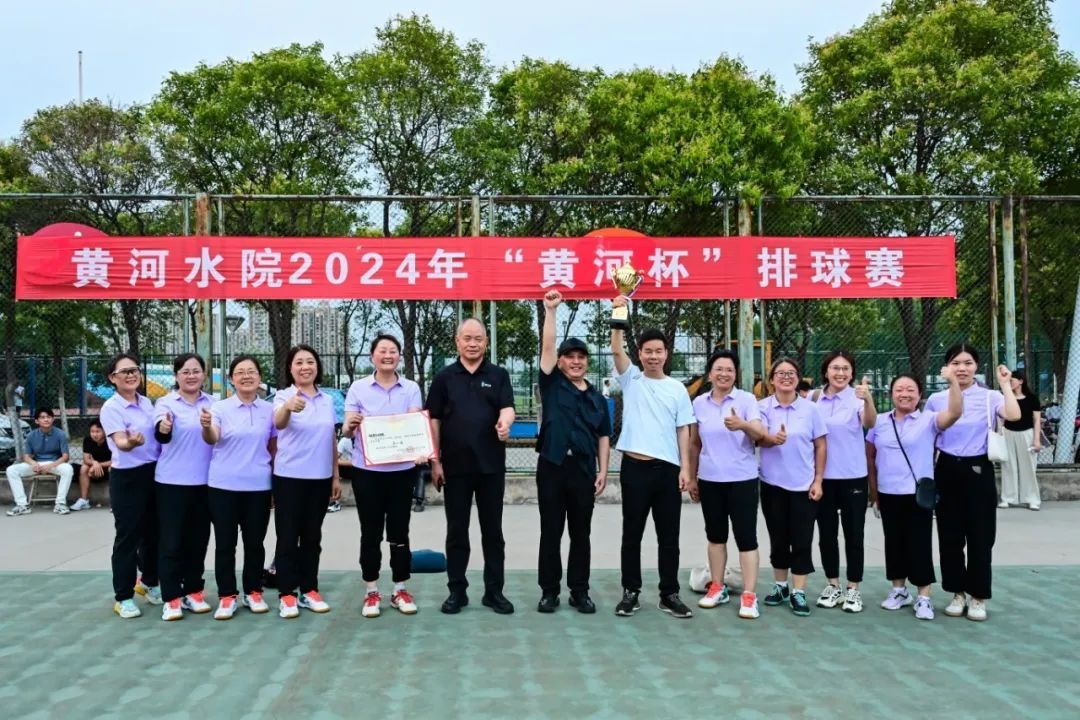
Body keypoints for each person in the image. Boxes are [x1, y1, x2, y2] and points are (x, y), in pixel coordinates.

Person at [610, 296, 696, 619]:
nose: (653, 356)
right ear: (640, 354)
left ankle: (669, 593)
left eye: (659, 351)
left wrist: (685, 469)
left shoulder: (677, 389)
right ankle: (630, 592)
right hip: (634, 469)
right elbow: (616, 349)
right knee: (631, 534)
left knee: (668, 537)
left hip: (667, 472)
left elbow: (683, 430)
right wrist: (619, 310)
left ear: (666, 354)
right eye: (648, 351)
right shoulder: (632, 379)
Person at [426, 318, 516, 615]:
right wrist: (435, 461)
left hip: (491, 467)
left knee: (493, 532)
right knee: (456, 531)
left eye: (478, 338)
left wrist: (505, 423)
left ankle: (494, 592)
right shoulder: (444, 378)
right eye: (467, 338)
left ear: (486, 342)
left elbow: (508, 408)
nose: (473, 344)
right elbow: (434, 420)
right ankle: (457, 591)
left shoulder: (499, 375)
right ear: (457, 342)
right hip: (455, 468)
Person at [925, 344, 1020, 622]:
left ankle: (978, 596)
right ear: (946, 367)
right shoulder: (936, 399)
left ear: (976, 366)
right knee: (949, 536)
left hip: (978, 469)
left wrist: (1006, 385)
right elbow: (929, 435)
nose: (962, 368)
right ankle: (957, 593)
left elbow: (1014, 415)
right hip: (946, 469)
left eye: (968, 363)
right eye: (956, 363)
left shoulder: (990, 396)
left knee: (980, 536)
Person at [534, 291, 611, 614]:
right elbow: (548, 347)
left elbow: (604, 435)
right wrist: (551, 311)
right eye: (570, 357)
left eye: (581, 357)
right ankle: (549, 591)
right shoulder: (552, 384)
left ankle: (579, 591)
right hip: (552, 466)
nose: (576, 361)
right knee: (551, 531)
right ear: (561, 361)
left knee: (581, 533)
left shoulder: (596, 398)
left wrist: (603, 471)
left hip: (582, 470)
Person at [866, 369, 962, 621]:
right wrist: (873, 493)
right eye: (899, 390)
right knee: (893, 542)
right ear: (891, 394)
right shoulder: (880, 421)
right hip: (888, 492)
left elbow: (954, 413)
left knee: (919, 543)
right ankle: (899, 591)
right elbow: (871, 457)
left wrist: (953, 382)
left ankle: (924, 597)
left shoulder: (928, 420)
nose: (904, 394)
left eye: (910, 390)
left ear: (920, 395)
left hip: (917, 494)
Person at [344, 334, 426, 618]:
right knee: (370, 532)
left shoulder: (410, 388)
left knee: (400, 531)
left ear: (399, 356)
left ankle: (400, 588)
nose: (388, 355)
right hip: (367, 472)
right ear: (372, 356)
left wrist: (418, 448)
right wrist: (351, 424)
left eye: (393, 351)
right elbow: (347, 429)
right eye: (382, 350)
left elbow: (414, 424)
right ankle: (371, 590)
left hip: (402, 472)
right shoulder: (358, 388)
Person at [688, 349, 765, 619]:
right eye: (719, 369)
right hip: (710, 480)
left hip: (742, 479)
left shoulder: (746, 400)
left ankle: (749, 595)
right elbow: (694, 443)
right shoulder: (699, 403)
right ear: (710, 374)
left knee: (746, 538)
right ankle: (717, 586)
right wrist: (692, 477)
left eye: (729, 370)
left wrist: (742, 424)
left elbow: (760, 434)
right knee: (715, 536)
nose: (724, 374)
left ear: (736, 374)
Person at [203, 355, 277, 620]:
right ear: (231, 379)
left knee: (255, 543)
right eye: (240, 372)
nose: (246, 376)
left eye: (252, 371)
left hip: (258, 486)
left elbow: (273, 447)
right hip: (223, 486)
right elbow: (212, 436)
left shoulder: (269, 410)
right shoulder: (219, 408)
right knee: (225, 544)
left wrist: (274, 483)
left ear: (259, 377)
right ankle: (227, 595)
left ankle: (253, 591)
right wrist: (206, 427)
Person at [272, 345, 341, 618]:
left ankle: (309, 589)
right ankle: (287, 594)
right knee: (288, 537)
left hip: (320, 478)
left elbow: (331, 438)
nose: (305, 367)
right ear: (290, 368)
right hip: (289, 478)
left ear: (317, 367)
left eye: (310, 362)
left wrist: (335, 475)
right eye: (299, 362)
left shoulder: (327, 400)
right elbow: (278, 423)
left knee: (312, 538)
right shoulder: (283, 396)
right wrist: (288, 407)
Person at [758, 357, 827, 617]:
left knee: (801, 539)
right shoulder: (762, 407)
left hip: (803, 486)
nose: (786, 377)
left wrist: (818, 480)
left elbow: (821, 445)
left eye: (791, 373)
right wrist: (771, 438)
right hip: (772, 484)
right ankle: (780, 586)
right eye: (780, 373)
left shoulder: (811, 409)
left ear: (798, 379)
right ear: (771, 379)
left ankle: (799, 591)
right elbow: (757, 439)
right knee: (778, 538)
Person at [812, 351, 876, 613]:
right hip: (822, 478)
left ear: (852, 373)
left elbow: (870, 422)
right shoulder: (814, 398)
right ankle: (833, 585)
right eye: (835, 368)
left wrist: (868, 399)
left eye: (845, 368)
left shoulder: (858, 397)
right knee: (826, 535)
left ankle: (853, 588)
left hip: (853, 477)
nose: (840, 373)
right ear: (826, 371)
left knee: (854, 535)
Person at [99, 353, 162, 618]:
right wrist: (131, 442)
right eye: (124, 371)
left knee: (154, 533)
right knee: (128, 537)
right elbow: (121, 442)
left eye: (134, 370)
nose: (131, 375)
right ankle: (123, 597)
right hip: (127, 477)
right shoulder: (111, 408)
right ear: (112, 378)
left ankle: (149, 582)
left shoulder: (146, 403)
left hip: (154, 473)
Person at [154, 353, 214, 621]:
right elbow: (160, 433)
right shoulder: (165, 403)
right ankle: (171, 597)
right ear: (176, 376)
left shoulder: (213, 404)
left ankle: (193, 591)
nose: (191, 376)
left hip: (206, 483)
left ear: (204, 374)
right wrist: (165, 427)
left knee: (198, 541)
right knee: (171, 541)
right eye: (185, 371)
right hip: (171, 483)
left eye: (196, 371)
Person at [5, 407, 74, 516]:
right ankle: (22, 505)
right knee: (11, 470)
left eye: (48, 417)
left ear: (53, 419)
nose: (46, 419)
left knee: (68, 469)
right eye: (42, 417)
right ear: (37, 421)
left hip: (54, 464)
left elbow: (65, 456)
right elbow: (26, 456)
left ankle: (60, 504)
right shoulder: (31, 435)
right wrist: (33, 464)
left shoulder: (60, 434)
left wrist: (51, 465)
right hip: (37, 464)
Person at [999, 369, 1042, 510]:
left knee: (1028, 467)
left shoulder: (1032, 399)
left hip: (1027, 434)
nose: (1009, 382)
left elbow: (1037, 420)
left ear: (1021, 381)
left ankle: (1032, 499)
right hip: (1008, 433)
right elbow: (1001, 418)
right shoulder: (1005, 397)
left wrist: (1036, 439)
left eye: (1012, 380)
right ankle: (1007, 498)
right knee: (1008, 466)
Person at [73, 419, 111, 511]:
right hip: (95, 469)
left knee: (113, 468)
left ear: (104, 431)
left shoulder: (110, 440)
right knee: (84, 467)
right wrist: (94, 463)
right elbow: (86, 459)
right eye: (92, 432)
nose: (94, 434)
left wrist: (97, 465)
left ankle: (115, 502)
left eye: (98, 431)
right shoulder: (88, 440)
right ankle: (84, 500)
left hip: (109, 468)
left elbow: (115, 461)